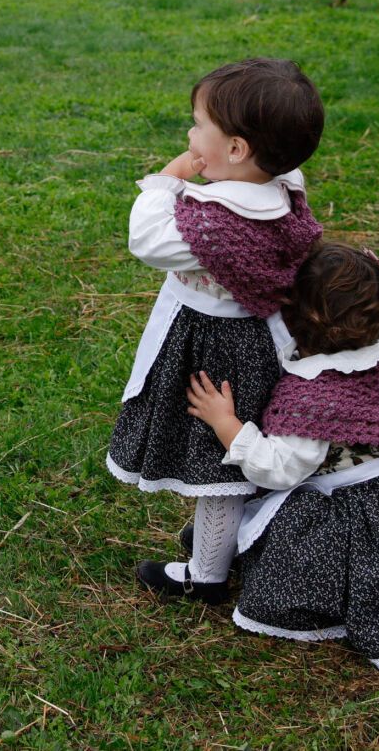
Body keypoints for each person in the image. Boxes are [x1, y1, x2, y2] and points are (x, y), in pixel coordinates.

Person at [185, 241, 379, 669]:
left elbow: (280, 468)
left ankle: (328, 601)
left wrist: (226, 423)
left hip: (351, 511)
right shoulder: (356, 358)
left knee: (308, 562)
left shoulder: (312, 396)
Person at [106, 57, 326, 602]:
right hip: (259, 340)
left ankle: (206, 575)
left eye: (199, 124)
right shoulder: (282, 190)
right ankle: (230, 541)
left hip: (217, 349)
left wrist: (167, 180)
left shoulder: (219, 224)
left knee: (217, 464)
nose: (189, 134)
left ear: (236, 149)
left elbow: (148, 241)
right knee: (225, 461)